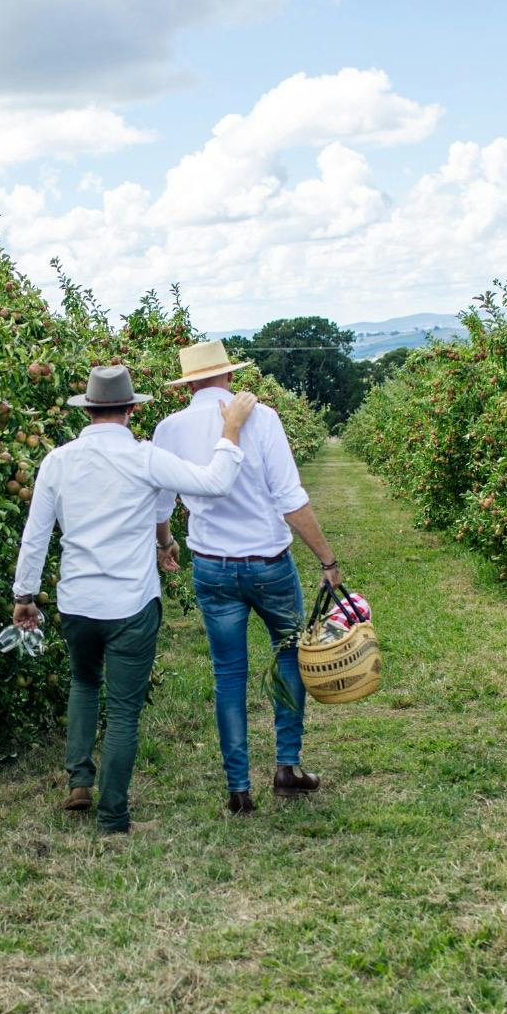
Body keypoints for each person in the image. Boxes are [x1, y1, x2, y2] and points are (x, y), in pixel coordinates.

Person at [11, 364, 259, 836]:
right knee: (123, 710)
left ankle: (80, 782)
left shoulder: (58, 461)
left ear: (89, 409)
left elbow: (35, 536)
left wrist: (25, 594)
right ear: (129, 410)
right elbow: (213, 481)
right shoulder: (145, 458)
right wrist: (230, 431)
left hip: (77, 602)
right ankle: (113, 816)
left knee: (84, 682)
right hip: (130, 603)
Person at [152, 339, 340, 815]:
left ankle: (238, 788)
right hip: (269, 564)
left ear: (187, 385)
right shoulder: (264, 419)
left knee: (228, 675)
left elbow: (160, 501)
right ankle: (287, 766)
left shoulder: (169, 428)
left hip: (212, 566)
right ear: (230, 377)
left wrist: (166, 542)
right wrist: (327, 559)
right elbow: (289, 498)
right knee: (290, 656)